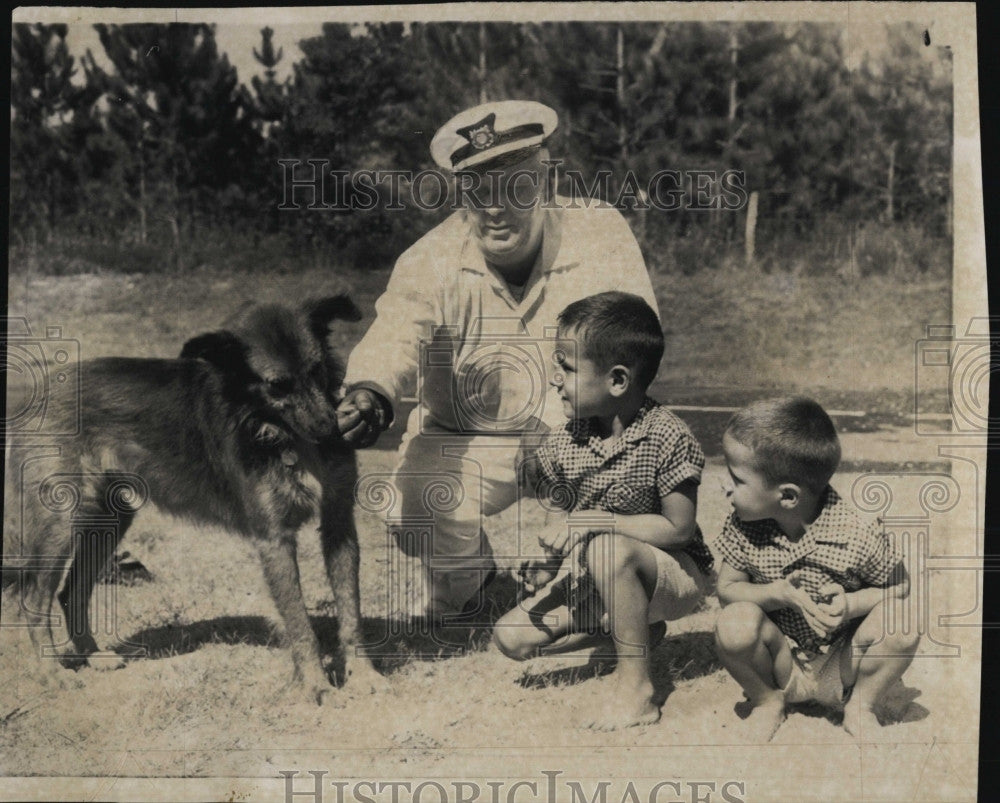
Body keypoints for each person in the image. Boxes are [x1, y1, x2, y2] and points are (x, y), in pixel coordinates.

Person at [337, 101, 659, 617]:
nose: (494, 206)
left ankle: (597, 584)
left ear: (545, 179)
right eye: (477, 189)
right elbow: (395, 332)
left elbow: (635, 344)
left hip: (581, 429)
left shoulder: (598, 231)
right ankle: (477, 588)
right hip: (465, 435)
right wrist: (370, 389)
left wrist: (555, 424)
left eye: (515, 185)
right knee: (410, 501)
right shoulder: (429, 260)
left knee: (635, 464)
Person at [492, 292, 714, 731]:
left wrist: (595, 522)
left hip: (673, 574)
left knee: (610, 550)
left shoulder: (668, 436)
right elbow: (564, 514)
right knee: (510, 638)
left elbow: (679, 529)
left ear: (617, 380)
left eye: (568, 368)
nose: (555, 379)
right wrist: (548, 562)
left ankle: (637, 690)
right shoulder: (565, 441)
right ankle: (634, 634)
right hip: (602, 573)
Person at [713, 397, 921, 741]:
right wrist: (773, 594)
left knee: (902, 621)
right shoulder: (744, 524)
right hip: (782, 660)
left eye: (736, 479)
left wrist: (852, 605)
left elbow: (900, 586)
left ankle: (860, 706)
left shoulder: (857, 533)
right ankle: (767, 702)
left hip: (842, 662)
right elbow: (727, 589)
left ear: (788, 497)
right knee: (732, 623)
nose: (725, 486)